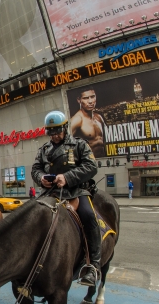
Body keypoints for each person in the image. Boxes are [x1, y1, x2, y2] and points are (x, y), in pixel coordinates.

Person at [31, 110, 101, 286]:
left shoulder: (79, 145)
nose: (54, 136)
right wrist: (40, 178)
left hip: (76, 192)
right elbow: (35, 169)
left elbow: (91, 166)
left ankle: (93, 266)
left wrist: (67, 177)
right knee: (29, 216)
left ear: (65, 128)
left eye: (57, 131)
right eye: (51, 132)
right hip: (50, 193)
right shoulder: (44, 150)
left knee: (89, 217)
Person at [70, 86, 106, 158]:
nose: (90, 101)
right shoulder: (77, 120)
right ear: (79, 100)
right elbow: (66, 145)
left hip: (103, 161)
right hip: (86, 164)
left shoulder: (99, 117)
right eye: (85, 98)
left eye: (92, 97)